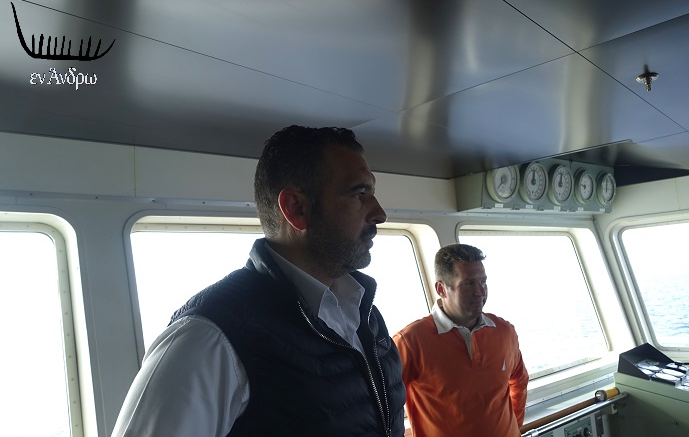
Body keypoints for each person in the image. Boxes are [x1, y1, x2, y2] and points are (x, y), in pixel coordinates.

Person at [111, 125, 406, 436]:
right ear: (297, 209)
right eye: (359, 194)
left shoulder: (364, 314)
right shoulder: (211, 336)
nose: (380, 213)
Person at [392, 243, 528, 437]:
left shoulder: (504, 331)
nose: (480, 291)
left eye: (483, 281)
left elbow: (519, 380)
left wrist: (514, 425)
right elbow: (386, 405)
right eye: (468, 284)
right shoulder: (410, 342)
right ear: (441, 289)